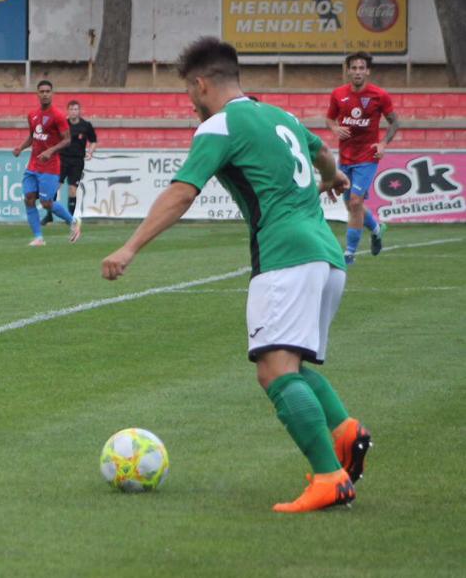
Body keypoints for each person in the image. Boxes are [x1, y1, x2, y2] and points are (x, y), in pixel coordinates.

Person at [102, 37, 371, 513]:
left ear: (201, 84)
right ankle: (346, 433)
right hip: (326, 256)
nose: (190, 102)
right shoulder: (280, 116)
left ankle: (330, 477)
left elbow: (182, 193)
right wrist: (331, 179)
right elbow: (324, 154)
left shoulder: (219, 126)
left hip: (285, 257)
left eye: (189, 91)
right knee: (293, 365)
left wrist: (130, 247)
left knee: (274, 371)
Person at [326, 51, 400, 265]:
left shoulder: (379, 95)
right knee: (351, 205)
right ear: (348, 70)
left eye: (361, 68)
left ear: (367, 71)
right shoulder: (338, 94)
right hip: (346, 157)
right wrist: (335, 128)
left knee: (356, 202)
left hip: (368, 157)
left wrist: (383, 143)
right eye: (354, 68)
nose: (357, 72)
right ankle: (376, 229)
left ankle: (349, 253)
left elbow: (394, 122)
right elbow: (329, 119)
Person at [12, 80, 81, 246]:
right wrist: (21, 147)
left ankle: (73, 221)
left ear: (52, 94)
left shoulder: (57, 116)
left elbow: (67, 140)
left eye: (47, 91)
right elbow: (33, 136)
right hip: (33, 166)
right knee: (28, 198)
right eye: (41, 91)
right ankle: (38, 237)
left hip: (50, 168)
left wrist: (50, 151)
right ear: (37, 93)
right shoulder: (32, 115)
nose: (44, 94)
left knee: (46, 203)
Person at [42, 99, 97, 225]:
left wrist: (90, 151)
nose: (74, 112)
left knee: (72, 189)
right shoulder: (63, 124)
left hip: (77, 161)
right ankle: (49, 215)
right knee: (54, 187)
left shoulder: (86, 125)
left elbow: (93, 141)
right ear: (68, 111)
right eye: (71, 109)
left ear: (79, 111)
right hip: (61, 159)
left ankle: (70, 218)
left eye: (76, 109)